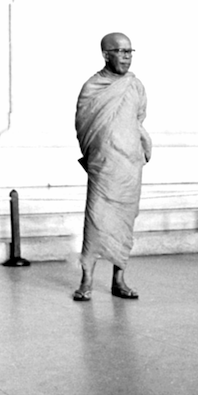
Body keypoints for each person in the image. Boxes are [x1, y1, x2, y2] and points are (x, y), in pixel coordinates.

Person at [72, 32, 152, 302]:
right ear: (106, 54)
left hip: (129, 163)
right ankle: (87, 280)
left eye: (130, 51)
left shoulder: (135, 86)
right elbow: (83, 125)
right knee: (95, 220)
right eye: (120, 51)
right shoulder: (93, 87)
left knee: (125, 221)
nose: (127, 57)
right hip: (104, 164)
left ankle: (119, 279)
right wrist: (96, 153)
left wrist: (139, 142)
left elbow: (138, 118)